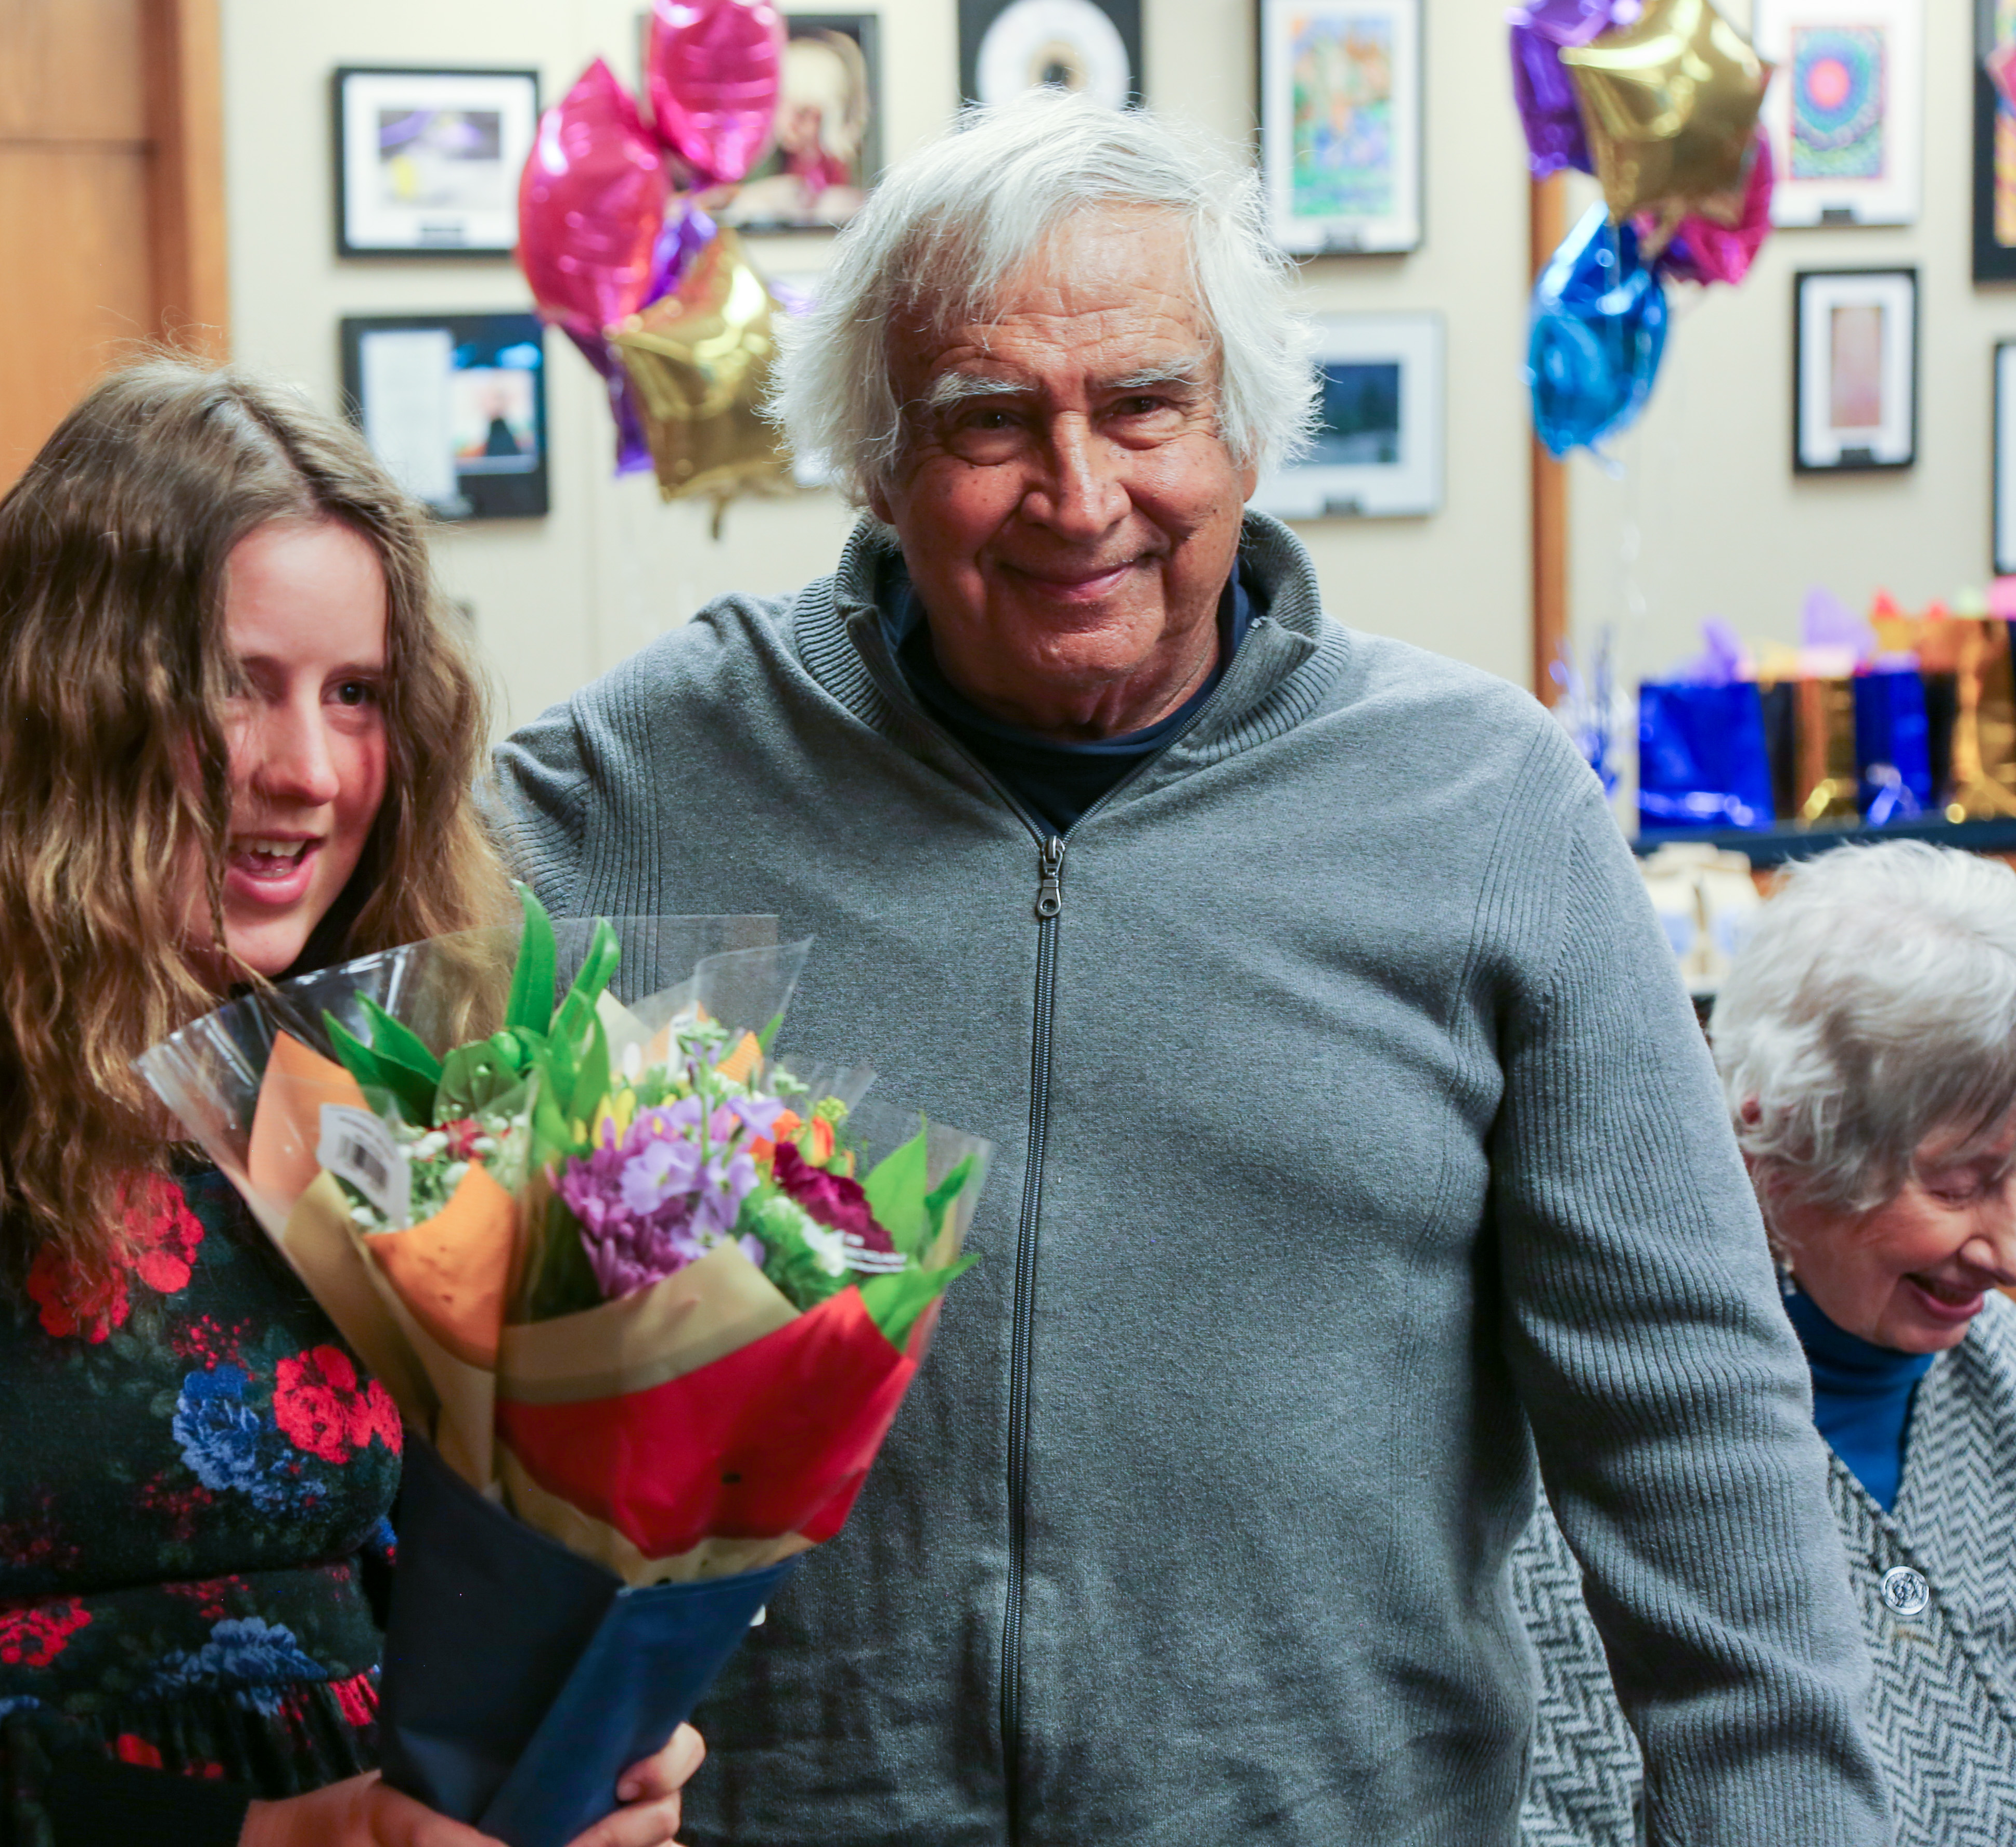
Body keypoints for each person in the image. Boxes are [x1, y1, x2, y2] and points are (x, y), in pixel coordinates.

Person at [491, 96, 1883, 1844]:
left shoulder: (1481, 803)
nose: (1078, 499)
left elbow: (1687, 1420)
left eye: (1141, 405)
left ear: (1240, 429)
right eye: (985, 422)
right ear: (870, 461)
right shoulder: (646, 779)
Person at [0, 361, 698, 1847]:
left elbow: (421, 1570)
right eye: (236, 686)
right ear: (67, 700)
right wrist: (286, 1834)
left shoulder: (376, 1070)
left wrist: (556, 1745)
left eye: (356, 696)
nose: (305, 771)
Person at [1516, 841, 2016, 1845]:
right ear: (1777, 1142)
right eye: (1963, 1183)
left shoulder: (1997, 1381)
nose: (2007, 1253)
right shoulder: (1571, 1463)